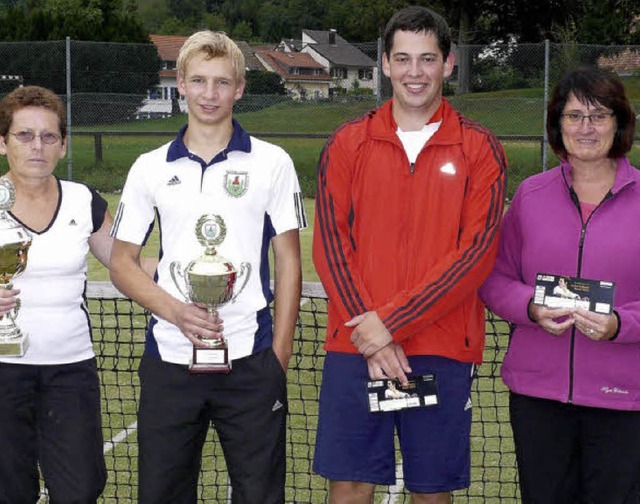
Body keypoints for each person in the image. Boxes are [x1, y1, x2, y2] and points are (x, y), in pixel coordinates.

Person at [312, 6, 506, 503]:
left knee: (431, 489)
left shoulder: (480, 148)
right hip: (356, 345)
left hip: (440, 347)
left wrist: (391, 323)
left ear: (449, 64)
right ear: (384, 63)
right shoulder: (347, 143)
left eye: (426, 59)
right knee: (351, 484)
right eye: (403, 59)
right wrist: (372, 335)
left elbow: (476, 253)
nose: (414, 73)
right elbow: (332, 246)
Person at [109, 31, 305, 504]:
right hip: (169, 362)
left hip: (250, 360)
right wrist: (176, 312)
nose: (210, 93)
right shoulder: (148, 167)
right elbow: (121, 262)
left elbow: (289, 263)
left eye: (222, 82)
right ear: (180, 83)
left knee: (260, 495)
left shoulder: (273, 163)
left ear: (239, 88)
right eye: (199, 80)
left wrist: (277, 356)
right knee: (162, 494)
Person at [480, 66, 640, 503]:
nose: (585, 127)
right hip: (538, 397)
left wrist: (619, 325)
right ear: (557, 125)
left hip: (623, 400)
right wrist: (530, 307)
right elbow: (495, 278)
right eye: (573, 116)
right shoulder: (530, 196)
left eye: (599, 115)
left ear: (619, 123)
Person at [0, 86, 111, 503]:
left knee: (80, 489)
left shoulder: (84, 201)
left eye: (48, 137)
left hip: (70, 373)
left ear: (63, 146)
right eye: (24, 135)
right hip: (3, 373)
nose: (37, 146)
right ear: (3, 141)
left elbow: (127, 266)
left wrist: (189, 272)